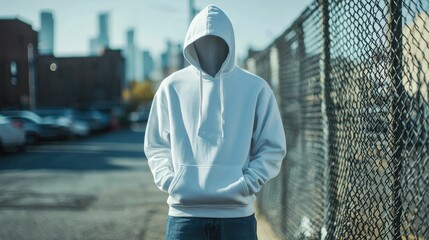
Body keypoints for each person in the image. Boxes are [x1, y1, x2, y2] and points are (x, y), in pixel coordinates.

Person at [144, 4, 286, 240]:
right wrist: (172, 182)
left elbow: (272, 147)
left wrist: (247, 184)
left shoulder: (255, 88)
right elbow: (156, 145)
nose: (211, 48)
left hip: (237, 217)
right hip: (184, 216)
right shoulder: (171, 87)